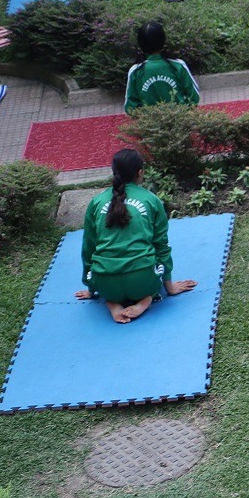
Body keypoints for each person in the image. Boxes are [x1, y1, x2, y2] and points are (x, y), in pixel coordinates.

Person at [73, 149, 197, 323]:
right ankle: (146, 300)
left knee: (110, 288)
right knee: (152, 282)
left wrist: (91, 287)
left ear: (113, 172)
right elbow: (161, 245)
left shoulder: (96, 202)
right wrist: (169, 286)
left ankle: (112, 303)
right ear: (140, 173)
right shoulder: (151, 200)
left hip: (106, 284)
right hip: (143, 282)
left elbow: (89, 247)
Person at [123, 21, 200, 115]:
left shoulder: (136, 71)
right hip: (180, 122)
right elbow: (194, 97)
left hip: (150, 126)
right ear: (163, 40)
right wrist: (184, 113)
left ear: (140, 44)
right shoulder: (178, 65)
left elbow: (130, 107)